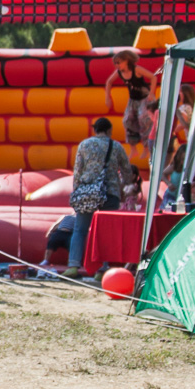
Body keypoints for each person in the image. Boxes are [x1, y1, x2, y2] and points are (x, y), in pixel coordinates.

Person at [63, 117, 129, 278]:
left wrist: (77, 191)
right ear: (109, 130)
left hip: (87, 192)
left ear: (95, 129)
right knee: (106, 231)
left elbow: (78, 170)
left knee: (80, 229)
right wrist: (124, 188)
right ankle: (102, 268)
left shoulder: (84, 145)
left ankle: (73, 265)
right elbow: (126, 170)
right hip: (109, 191)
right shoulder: (116, 146)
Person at [104, 49, 155, 146]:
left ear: (126, 61)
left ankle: (146, 145)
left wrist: (151, 93)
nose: (117, 65)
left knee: (143, 118)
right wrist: (107, 98)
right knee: (127, 120)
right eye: (115, 63)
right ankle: (133, 144)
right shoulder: (119, 72)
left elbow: (153, 77)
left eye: (119, 63)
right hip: (133, 99)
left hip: (144, 98)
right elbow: (109, 82)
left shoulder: (136, 69)